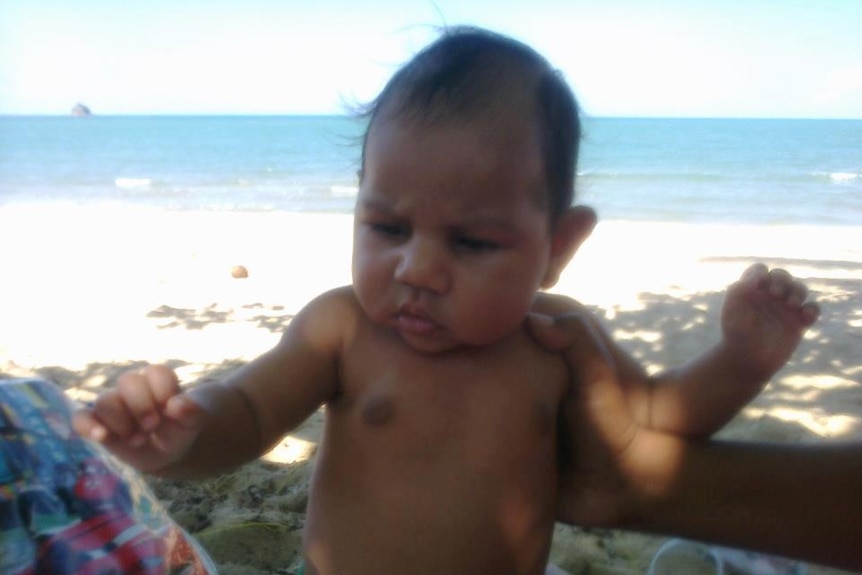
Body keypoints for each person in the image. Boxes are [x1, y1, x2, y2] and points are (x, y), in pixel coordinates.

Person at [72, 27, 820, 575]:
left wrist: (743, 359)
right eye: (388, 226)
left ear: (558, 247)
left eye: (472, 242)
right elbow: (248, 409)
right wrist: (183, 435)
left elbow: (659, 417)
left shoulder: (558, 338)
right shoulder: (342, 328)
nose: (418, 268)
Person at [528, 311, 861, 572]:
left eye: (479, 242)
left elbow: (651, 409)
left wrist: (740, 364)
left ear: (559, 245)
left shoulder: (547, 333)